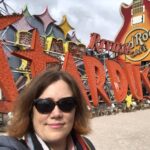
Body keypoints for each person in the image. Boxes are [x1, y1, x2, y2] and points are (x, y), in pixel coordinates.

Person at [0, 69, 95, 150]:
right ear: (30, 111)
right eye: (45, 105)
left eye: (66, 104)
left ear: (76, 110)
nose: (56, 114)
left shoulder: (87, 146)